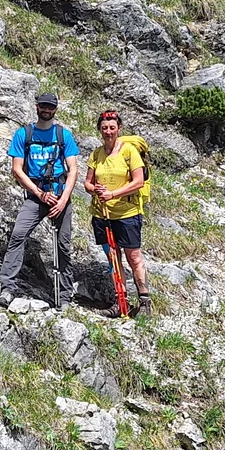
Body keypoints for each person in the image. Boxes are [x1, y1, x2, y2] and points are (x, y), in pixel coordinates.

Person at [0, 90, 80, 308]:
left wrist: (63, 200)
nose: (46, 110)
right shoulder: (23, 134)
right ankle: (7, 288)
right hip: (36, 197)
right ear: (37, 107)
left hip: (60, 196)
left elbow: (73, 170)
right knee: (18, 235)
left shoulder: (64, 136)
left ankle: (64, 297)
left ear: (55, 109)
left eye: (50, 107)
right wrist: (38, 192)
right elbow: (17, 169)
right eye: (43, 106)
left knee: (63, 246)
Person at [85, 108, 148, 317]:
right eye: (104, 128)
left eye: (112, 128)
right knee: (113, 257)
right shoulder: (96, 154)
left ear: (119, 129)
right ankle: (120, 301)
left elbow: (138, 182)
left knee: (133, 257)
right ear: (100, 130)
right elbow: (87, 183)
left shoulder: (129, 151)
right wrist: (97, 190)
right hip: (102, 214)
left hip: (127, 213)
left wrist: (113, 194)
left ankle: (144, 301)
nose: (108, 132)